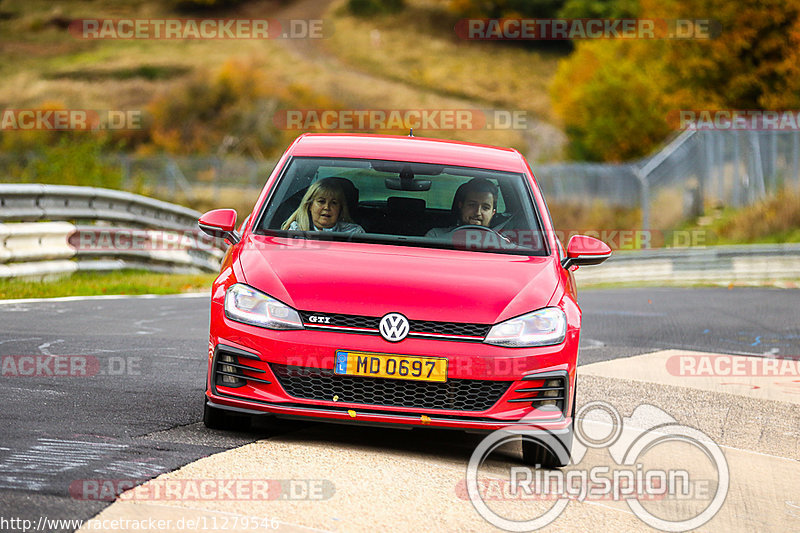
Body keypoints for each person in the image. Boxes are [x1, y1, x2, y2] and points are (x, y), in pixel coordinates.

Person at [281, 177, 365, 234]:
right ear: (310, 205)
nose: (327, 207)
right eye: (321, 201)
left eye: (334, 203)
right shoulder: (296, 231)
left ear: (340, 208)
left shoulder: (354, 233)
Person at [426, 178, 498, 238]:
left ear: (493, 213)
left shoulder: (502, 243)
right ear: (461, 206)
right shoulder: (436, 236)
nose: (478, 212)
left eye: (485, 208)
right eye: (472, 205)